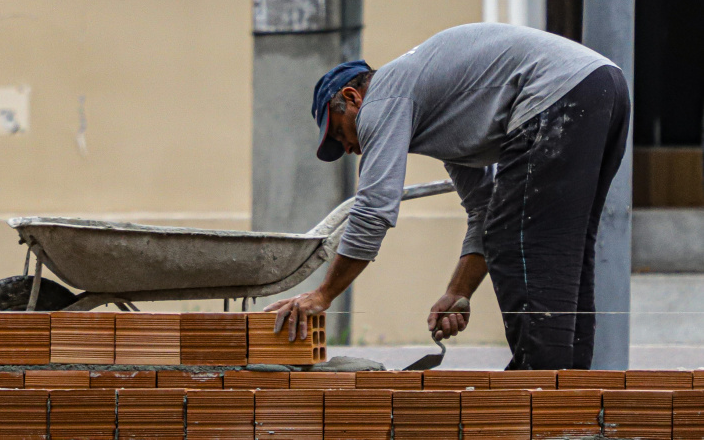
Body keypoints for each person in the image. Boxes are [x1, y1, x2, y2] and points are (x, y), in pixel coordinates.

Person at [264, 22, 630, 370]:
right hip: (601, 86)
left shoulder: (383, 99)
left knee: (522, 240)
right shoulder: (443, 114)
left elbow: (373, 209)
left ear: (352, 97)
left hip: (559, 92)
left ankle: (538, 382)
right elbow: (485, 212)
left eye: (340, 133)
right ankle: (572, 385)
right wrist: (458, 292)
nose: (347, 149)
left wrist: (323, 295)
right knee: (562, 247)